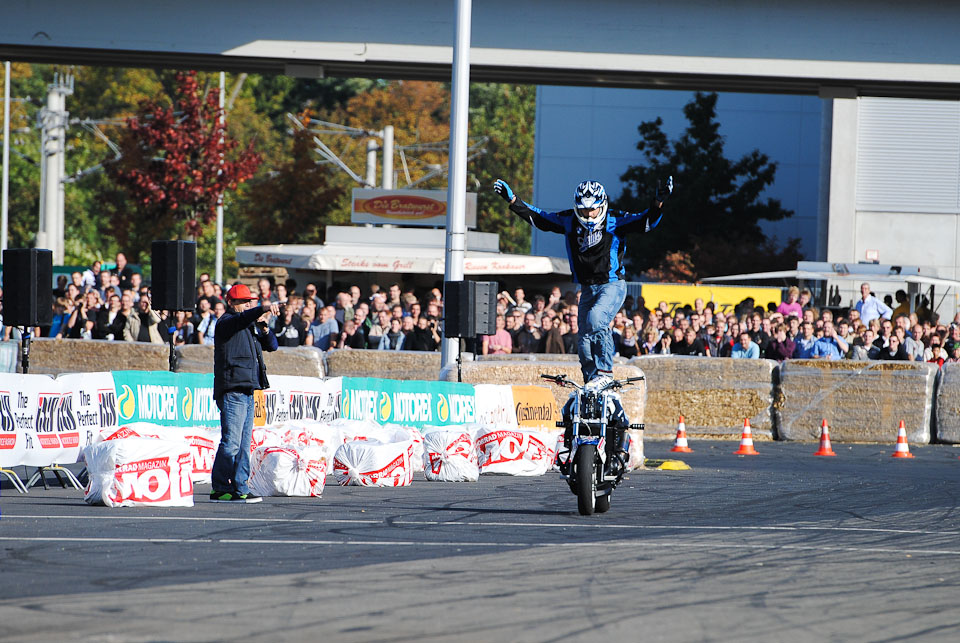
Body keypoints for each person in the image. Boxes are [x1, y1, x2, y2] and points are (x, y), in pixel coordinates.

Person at [494, 176, 670, 384]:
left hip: (611, 284)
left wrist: (657, 203)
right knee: (584, 340)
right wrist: (514, 201)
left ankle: (605, 372)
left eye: (592, 209)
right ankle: (591, 381)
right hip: (587, 287)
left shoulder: (615, 219)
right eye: (584, 209)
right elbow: (541, 218)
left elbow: (645, 222)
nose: (588, 214)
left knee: (596, 319)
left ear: (602, 205)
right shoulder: (570, 220)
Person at [210, 283, 281, 503]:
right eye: (242, 302)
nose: (247, 305)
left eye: (248, 301)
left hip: (248, 389)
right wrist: (263, 308)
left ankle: (241, 486)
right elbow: (241, 319)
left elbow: (272, 346)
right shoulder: (227, 322)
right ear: (231, 303)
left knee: (243, 444)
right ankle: (220, 487)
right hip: (232, 390)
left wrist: (265, 327)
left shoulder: (249, 324)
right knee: (231, 442)